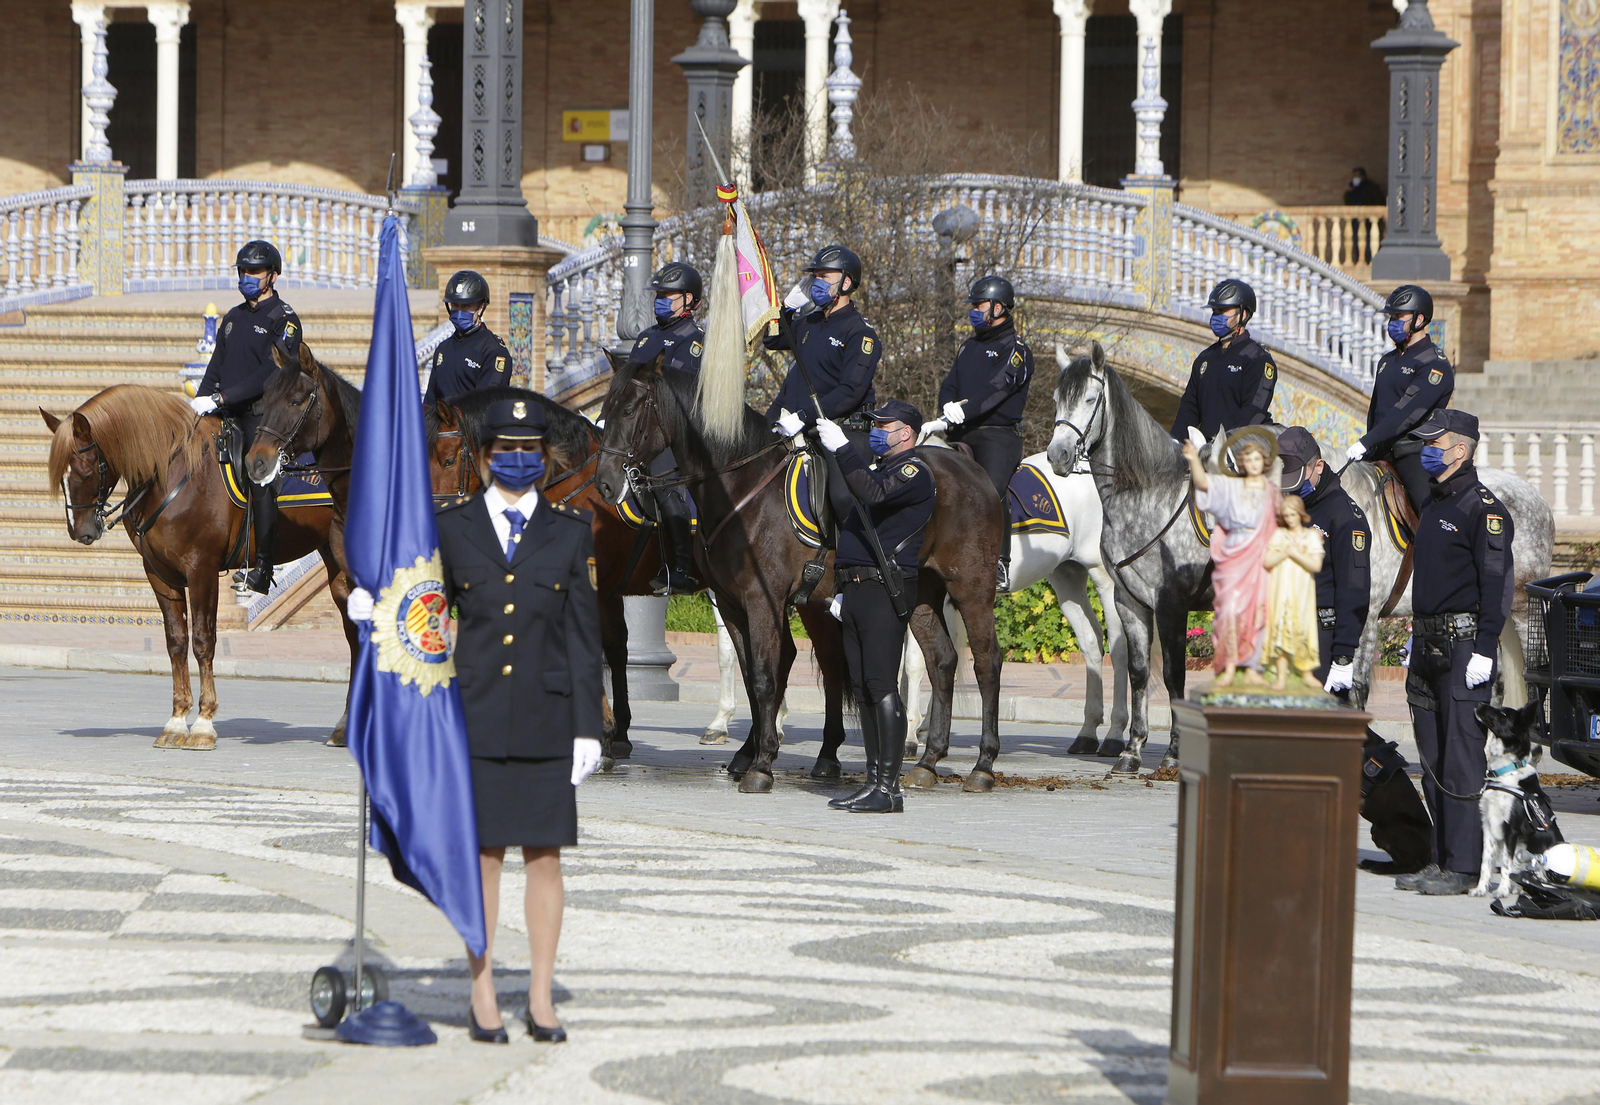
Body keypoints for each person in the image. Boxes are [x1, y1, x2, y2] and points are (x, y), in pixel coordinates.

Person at [406, 398, 603, 1039]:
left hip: (548, 721)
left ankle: (541, 996)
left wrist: (588, 728)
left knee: (545, 859)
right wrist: (377, 608)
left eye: (530, 452)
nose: (518, 462)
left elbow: (582, 638)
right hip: (478, 715)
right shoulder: (455, 528)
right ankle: (483, 988)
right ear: (485, 458)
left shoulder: (570, 531)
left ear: (545, 459)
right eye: (504, 452)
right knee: (485, 858)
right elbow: (424, 610)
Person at [1398, 407, 1513, 896]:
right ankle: (1441, 858)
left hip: (1465, 647)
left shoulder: (1481, 509)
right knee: (1430, 755)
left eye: (1435, 444)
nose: (1427, 450)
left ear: (1460, 450)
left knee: (1460, 759)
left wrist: (1485, 647)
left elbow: (1496, 586)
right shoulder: (1437, 502)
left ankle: (1465, 866)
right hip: (1427, 643)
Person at [813, 399, 934, 814]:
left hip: (885, 588)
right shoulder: (880, 469)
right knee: (863, 687)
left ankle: (890, 788)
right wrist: (844, 585)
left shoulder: (913, 471)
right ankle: (872, 781)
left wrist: (843, 448)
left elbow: (871, 493)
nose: (877, 430)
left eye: (885, 425)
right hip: (859, 587)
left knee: (882, 685)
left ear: (907, 433)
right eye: (875, 424)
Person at [191, 239, 301, 594]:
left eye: (253, 271)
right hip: (225, 412)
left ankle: (264, 565)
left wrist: (223, 396)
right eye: (243, 271)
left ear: (271, 275)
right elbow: (215, 366)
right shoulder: (233, 319)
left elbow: (270, 373)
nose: (247, 277)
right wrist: (202, 400)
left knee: (259, 471)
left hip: (263, 416)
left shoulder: (284, 320)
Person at [937, 274, 1034, 591]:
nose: (974, 310)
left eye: (979, 305)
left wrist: (964, 409)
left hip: (998, 434)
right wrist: (947, 406)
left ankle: (999, 563)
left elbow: (998, 390)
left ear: (998, 307)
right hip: (962, 431)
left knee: (990, 491)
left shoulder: (1016, 349)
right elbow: (950, 382)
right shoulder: (969, 346)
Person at [626, 262, 706, 594]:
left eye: (668, 295)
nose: (660, 300)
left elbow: (684, 397)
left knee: (665, 486)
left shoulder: (696, 342)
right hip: (634, 429)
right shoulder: (645, 338)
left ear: (690, 300)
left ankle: (681, 569)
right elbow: (626, 384)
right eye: (658, 295)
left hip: (672, 436)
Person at [1276, 427, 1371, 701]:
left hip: (1320, 641)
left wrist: (1342, 657)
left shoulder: (1344, 517)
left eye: (1296, 478)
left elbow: (1353, 591)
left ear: (1318, 466)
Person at [1183, 427, 1280, 686]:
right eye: (1247, 460)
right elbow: (1205, 487)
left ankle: (1253, 667)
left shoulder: (1270, 492)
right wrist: (1194, 460)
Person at [1345, 284, 1452, 515]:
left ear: (1420, 319)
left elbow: (1405, 414)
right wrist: (1370, 445)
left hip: (1412, 453)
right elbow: (1377, 410)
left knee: (1430, 515)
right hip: (1378, 451)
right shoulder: (1388, 361)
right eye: (1391, 317)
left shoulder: (1434, 365)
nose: (1392, 322)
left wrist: (1366, 441)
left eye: (1398, 316)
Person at [764, 244, 881, 438]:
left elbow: (851, 391)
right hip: (795, 425)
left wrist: (804, 416)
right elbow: (772, 339)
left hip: (840, 432)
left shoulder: (859, 332)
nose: (816, 283)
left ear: (845, 283)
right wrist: (786, 308)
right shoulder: (810, 322)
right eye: (814, 277)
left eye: (824, 277)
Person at [1170, 279, 1278, 442]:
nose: (1216, 316)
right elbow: (1189, 408)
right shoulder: (1205, 359)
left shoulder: (1258, 359)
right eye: (1215, 311)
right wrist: (1175, 442)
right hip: (1208, 450)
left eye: (1223, 310)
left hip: (1243, 450)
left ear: (1243, 314)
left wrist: (1223, 444)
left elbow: (1253, 411)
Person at [423, 270, 512, 410]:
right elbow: (430, 402)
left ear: (481, 307)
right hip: (440, 429)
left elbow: (486, 405)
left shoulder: (493, 351)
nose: (459, 312)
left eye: (466, 306)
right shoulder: (443, 349)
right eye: (455, 306)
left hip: (471, 430)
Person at [1263, 494, 1325, 690]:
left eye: (1292, 514)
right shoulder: (1279, 535)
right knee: (1281, 630)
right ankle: (1281, 675)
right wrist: (1284, 552)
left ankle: (1306, 673)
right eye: (1286, 515)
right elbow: (1267, 561)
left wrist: (1294, 553)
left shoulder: (1310, 536)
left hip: (1302, 592)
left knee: (1303, 628)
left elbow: (1316, 565)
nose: (1289, 518)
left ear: (1300, 514)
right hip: (1280, 592)